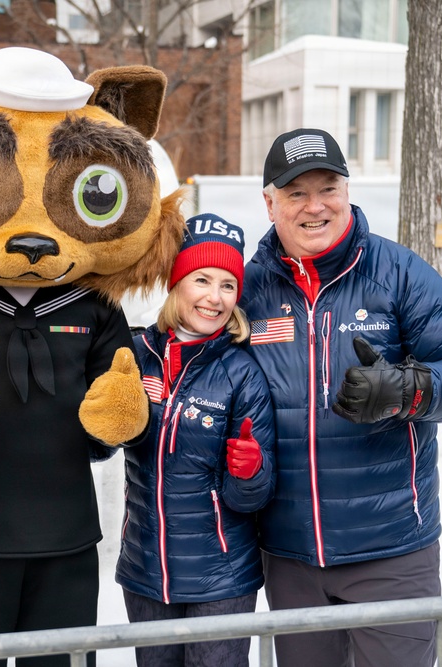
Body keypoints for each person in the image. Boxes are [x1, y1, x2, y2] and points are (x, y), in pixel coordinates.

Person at [240, 127, 442, 667]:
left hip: (392, 552)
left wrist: (408, 390)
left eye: (328, 188)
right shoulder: (247, 288)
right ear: (269, 203)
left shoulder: (399, 273)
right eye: (295, 193)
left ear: (348, 191)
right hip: (288, 557)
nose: (316, 207)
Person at [116, 214, 276, 667]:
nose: (214, 297)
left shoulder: (241, 372)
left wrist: (249, 472)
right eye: (202, 279)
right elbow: (101, 444)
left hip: (220, 579)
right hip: (146, 572)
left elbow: (253, 497)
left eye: (228, 285)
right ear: (176, 284)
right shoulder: (137, 356)